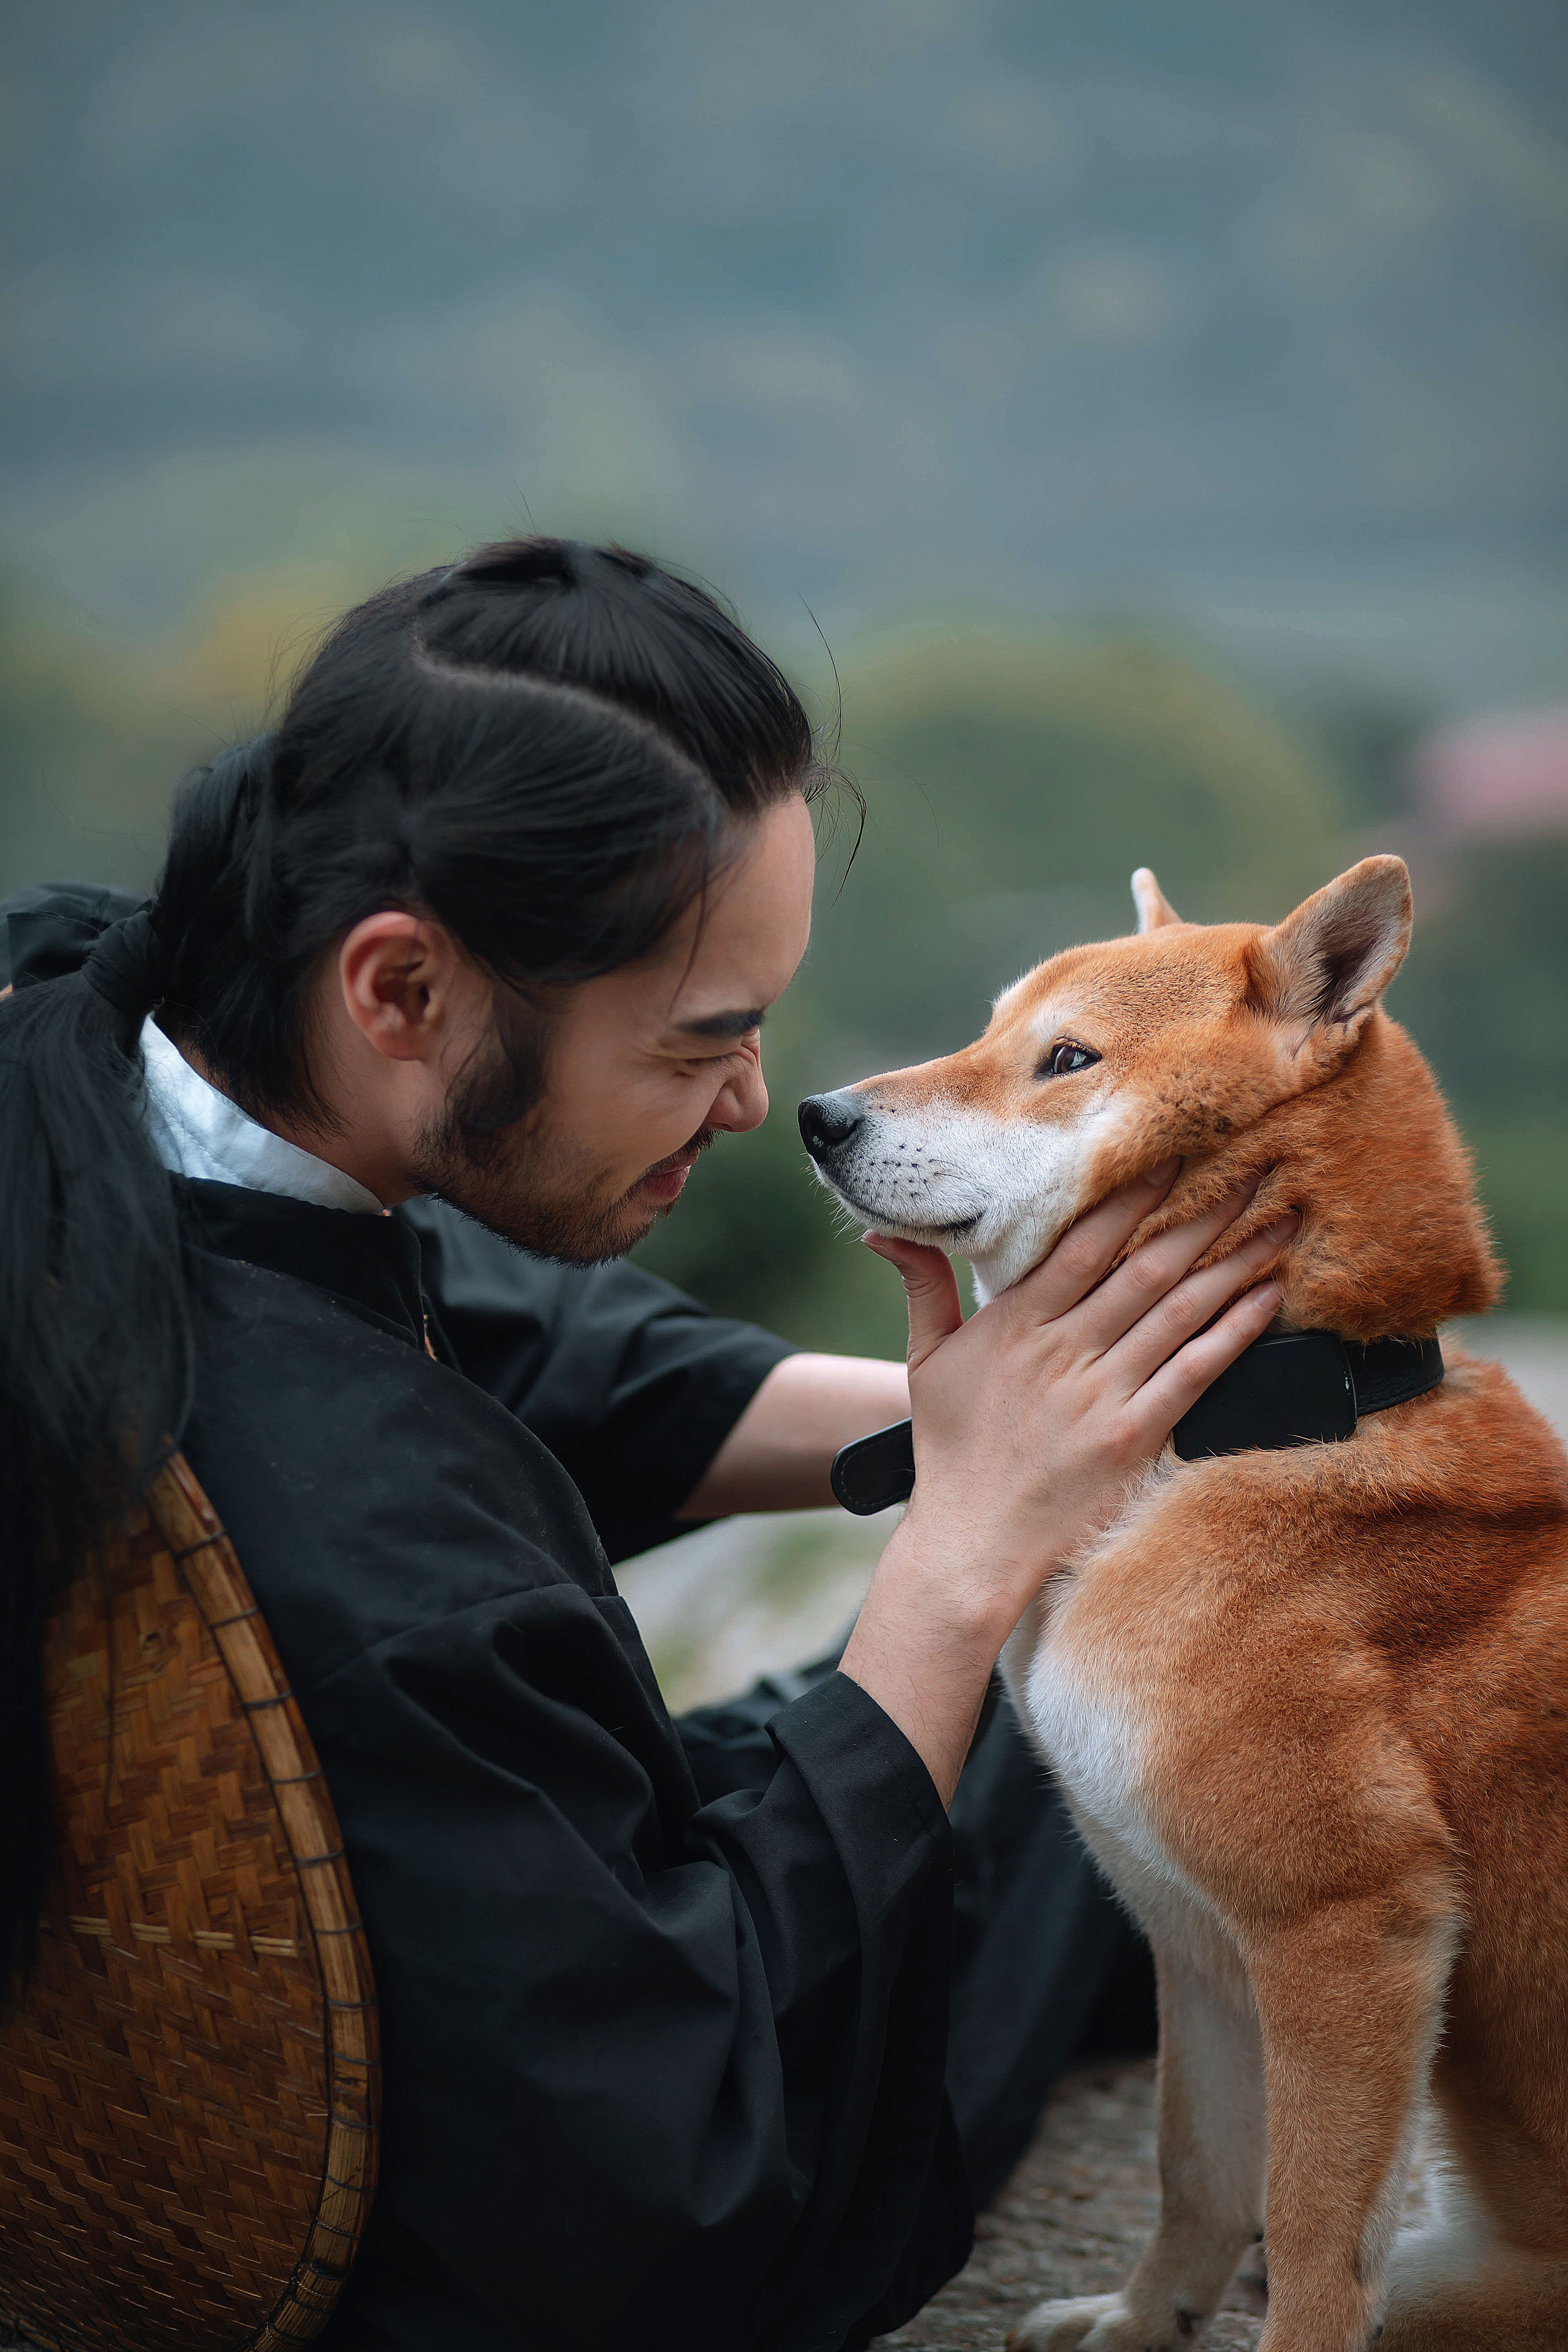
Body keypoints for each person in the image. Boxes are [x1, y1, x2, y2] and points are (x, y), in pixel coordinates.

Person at [0, 539, 1288, 2352]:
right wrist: (963, 1557)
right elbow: (666, 2176)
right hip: (500, 2159)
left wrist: (953, 1427)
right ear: (401, 990)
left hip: (438, 1907)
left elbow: (485, 1344)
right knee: (1074, 1720)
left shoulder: (85, 1041)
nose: (755, 1101)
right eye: (700, 1043)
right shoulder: (368, 1544)